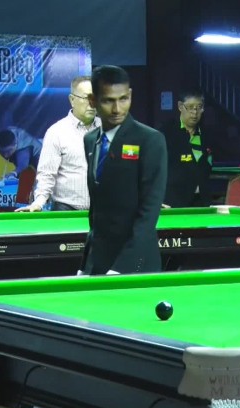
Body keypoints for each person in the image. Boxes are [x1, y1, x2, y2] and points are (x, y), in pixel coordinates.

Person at [79, 65, 167, 275]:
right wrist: (85, 264)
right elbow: (96, 212)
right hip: (98, 263)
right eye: (108, 101)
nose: (117, 109)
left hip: (135, 264)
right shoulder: (90, 140)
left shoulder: (150, 140)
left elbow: (148, 214)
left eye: (123, 99)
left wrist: (120, 268)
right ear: (93, 100)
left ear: (130, 95)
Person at [16, 76, 100, 212]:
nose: (92, 103)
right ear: (72, 100)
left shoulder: (108, 129)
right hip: (66, 211)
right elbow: (46, 174)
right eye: (86, 98)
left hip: (102, 213)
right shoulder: (56, 132)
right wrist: (38, 203)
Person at [160, 89, 213, 208]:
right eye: (190, 107)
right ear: (180, 106)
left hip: (202, 203)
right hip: (172, 203)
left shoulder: (207, 134)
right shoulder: (165, 133)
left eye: (199, 107)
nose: (195, 112)